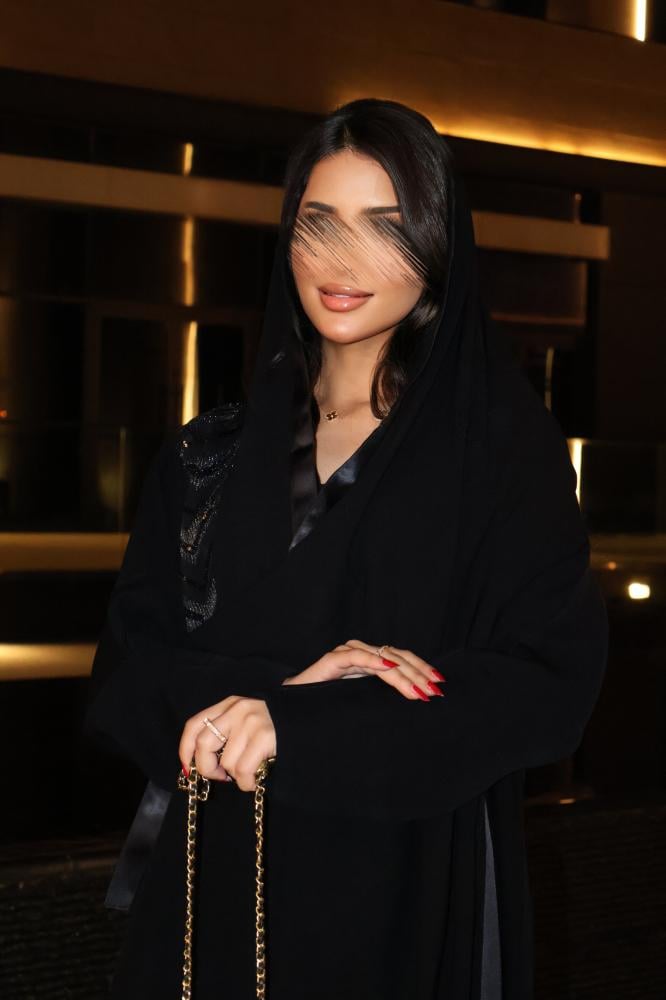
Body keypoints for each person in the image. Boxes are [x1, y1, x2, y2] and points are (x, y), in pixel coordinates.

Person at [84, 97, 608, 999]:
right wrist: (281, 694)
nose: (340, 259)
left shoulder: (498, 458)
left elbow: (547, 684)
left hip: (402, 881)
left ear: (439, 246)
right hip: (218, 876)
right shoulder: (209, 455)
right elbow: (126, 676)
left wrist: (312, 725)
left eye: (385, 227)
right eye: (318, 222)